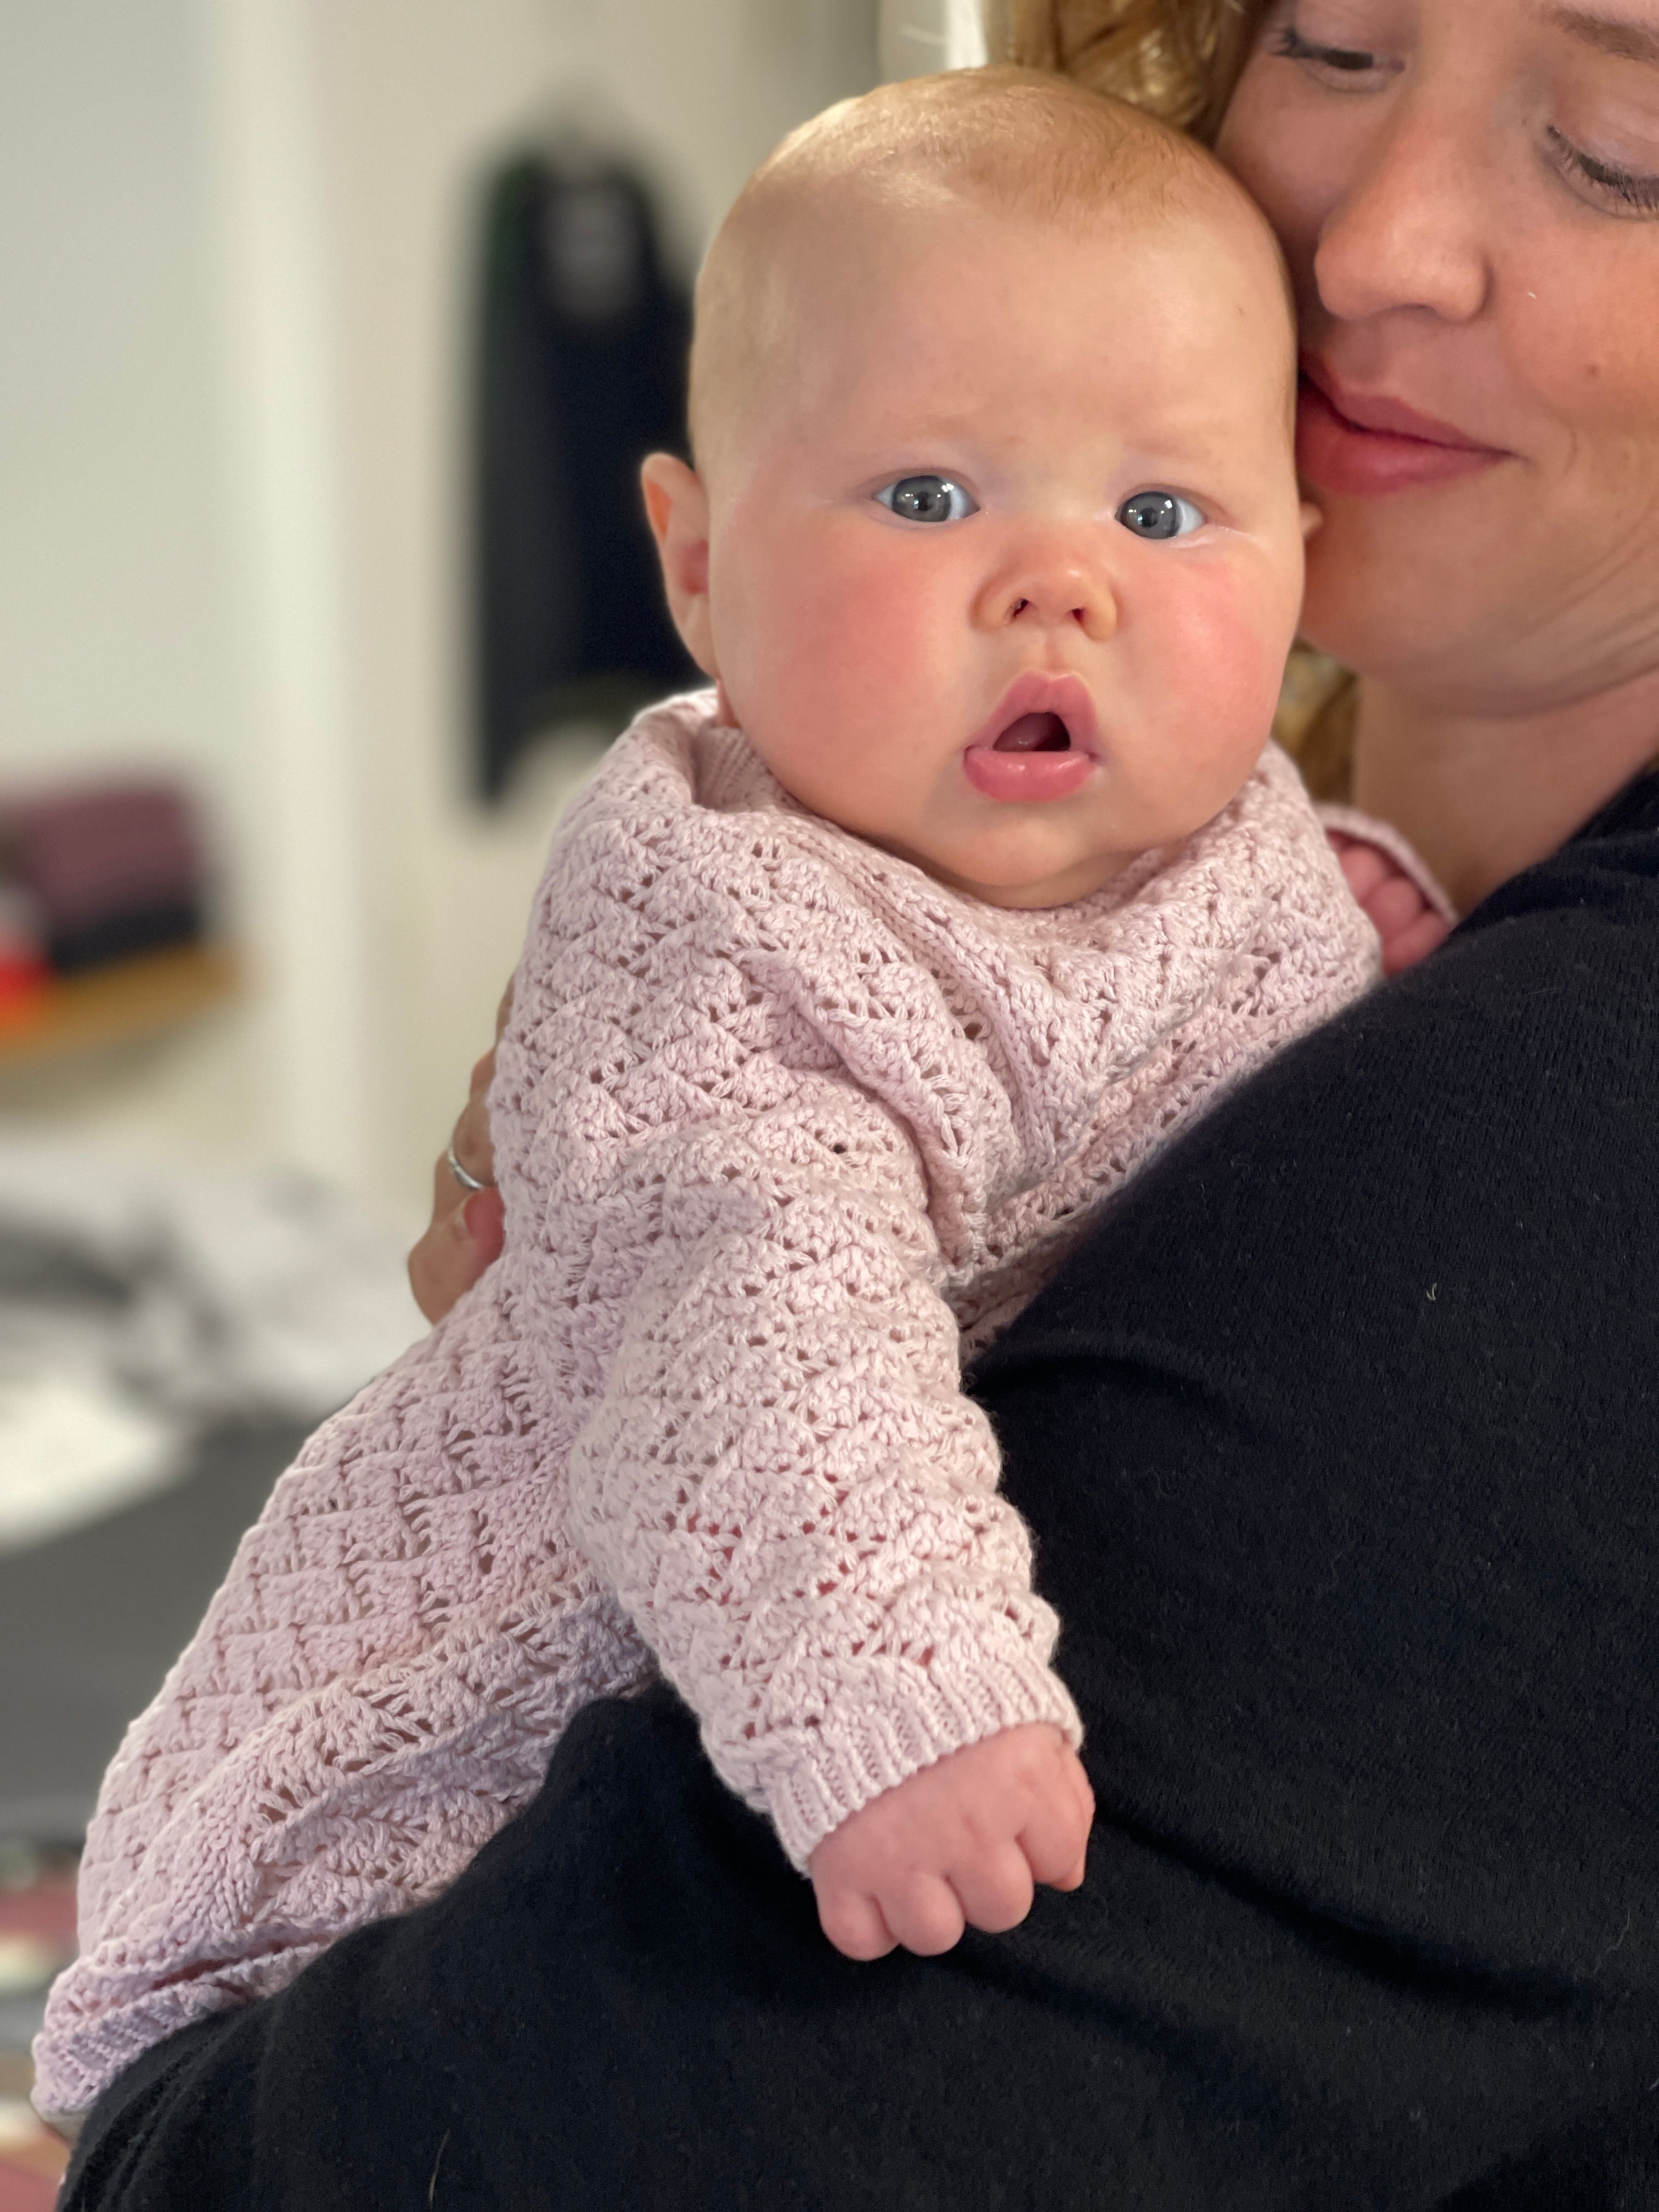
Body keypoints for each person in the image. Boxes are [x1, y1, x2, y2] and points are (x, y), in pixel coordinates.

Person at [54, 0, 1659, 2201]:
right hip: (377, 1856)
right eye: (1340, 38)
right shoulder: (901, 872)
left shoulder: (1556, 1102)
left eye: (1618, 140)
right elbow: (751, 1284)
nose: (1376, 244)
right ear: (695, 558)